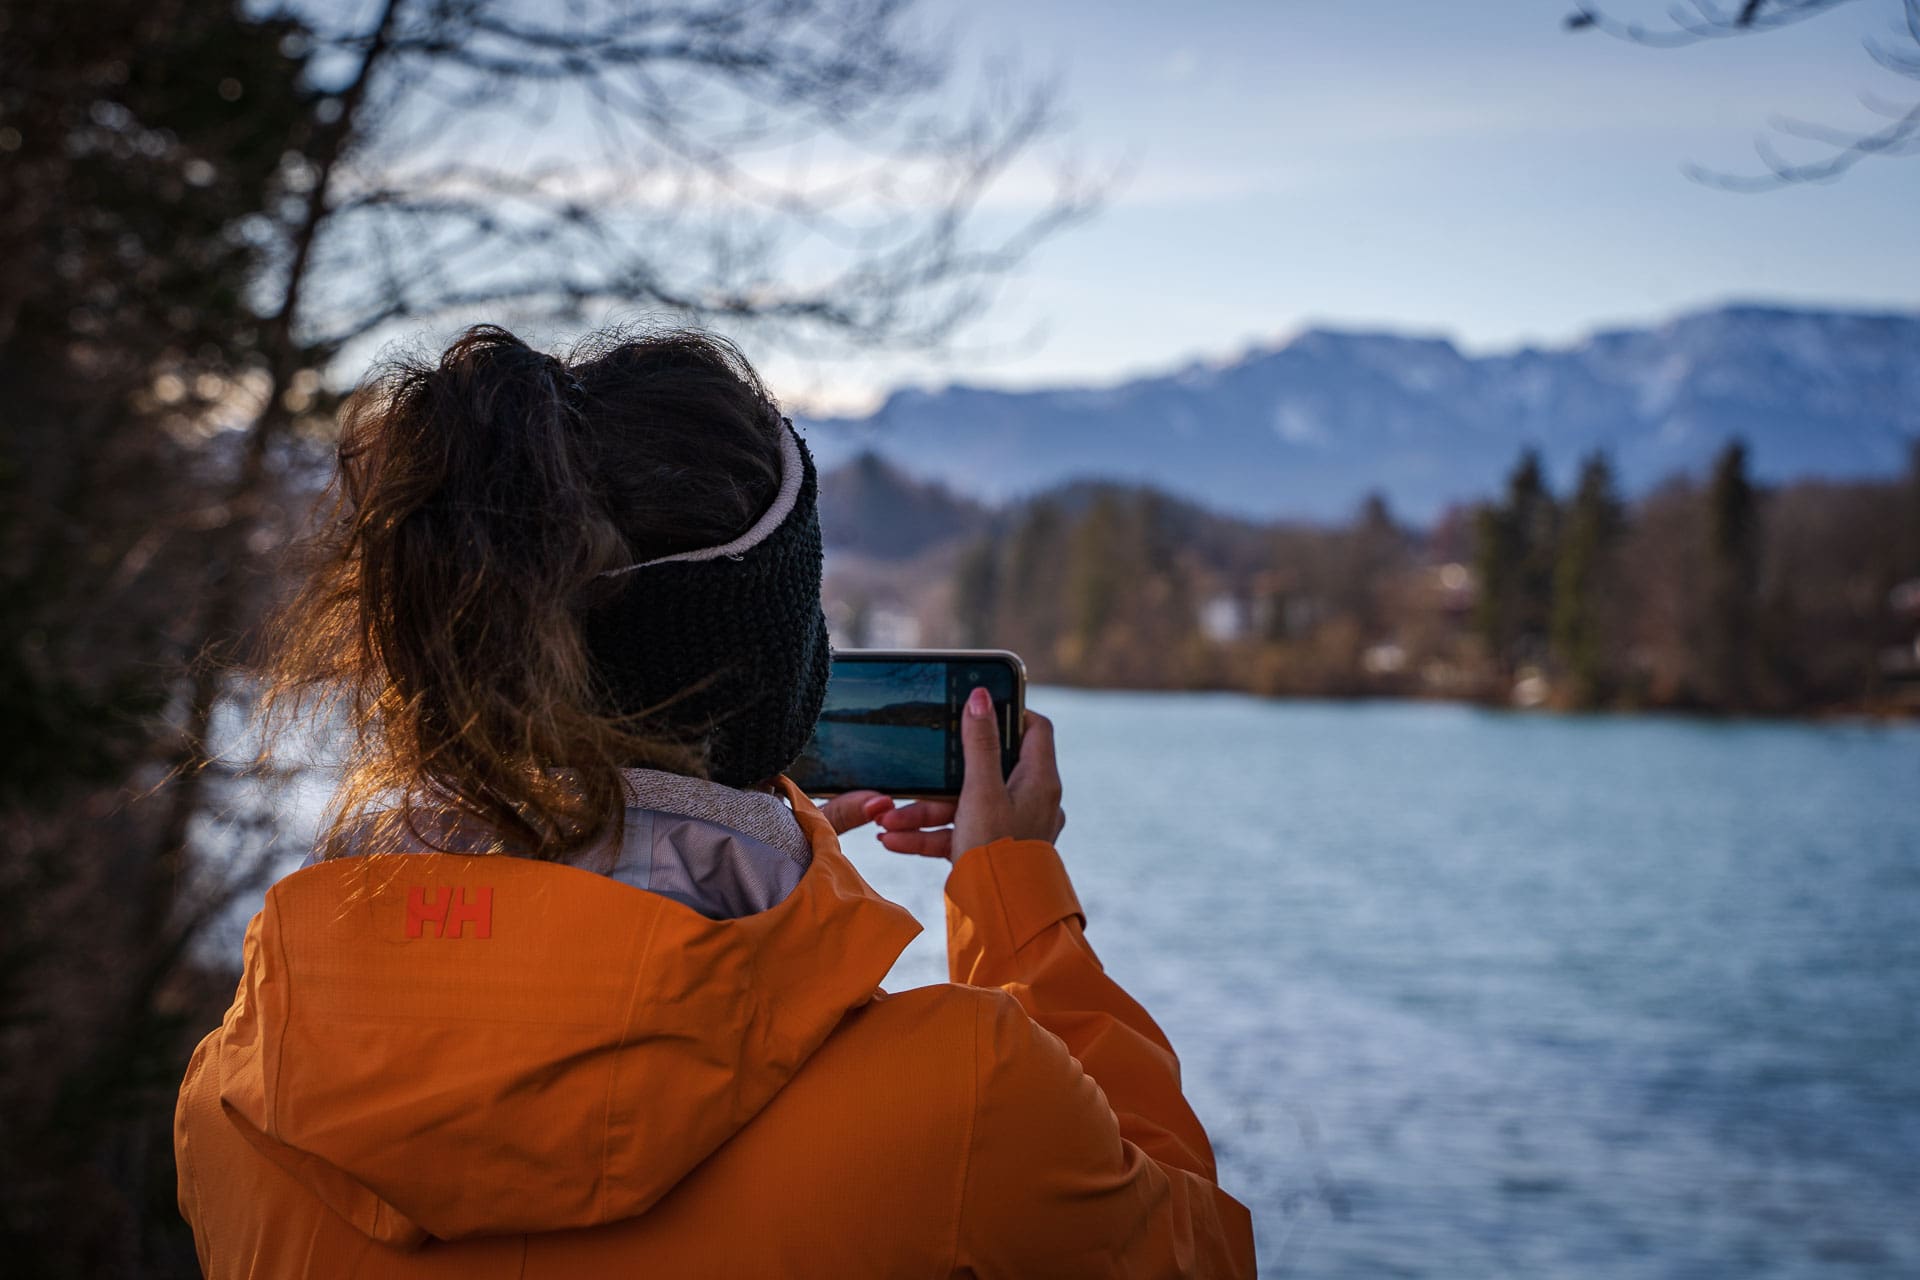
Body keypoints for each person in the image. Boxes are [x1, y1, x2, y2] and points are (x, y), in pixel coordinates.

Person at [174, 325, 1257, 1277]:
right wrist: (1014, 894)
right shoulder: (965, 1098)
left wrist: (746, 896)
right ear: (767, 676)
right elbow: (1197, 1250)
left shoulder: (242, 1084)